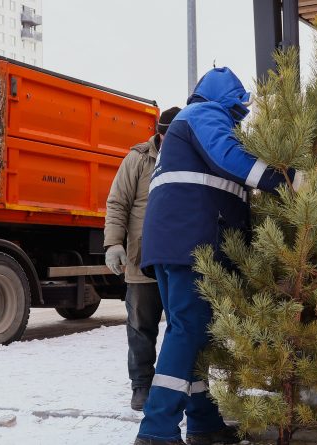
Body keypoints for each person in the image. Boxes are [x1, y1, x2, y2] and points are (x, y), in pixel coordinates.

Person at [134, 67, 300, 445]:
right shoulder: (203, 114)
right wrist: (290, 178)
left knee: (196, 335)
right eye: (239, 108)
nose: (241, 117)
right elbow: (228, 159)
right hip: (191, 244)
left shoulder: (190, 124)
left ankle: (204, 423)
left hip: (178, 242)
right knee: (188, 330)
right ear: (227, 98)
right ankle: (156, 430)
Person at [105, 106, 182, 411]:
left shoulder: (188, 156)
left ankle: (174, 385)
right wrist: (113, 244)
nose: (167, 139)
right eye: (163, 134)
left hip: (177, 259)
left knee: (181, 327)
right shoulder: (137, 159)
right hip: (141, 258)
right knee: (141, 326)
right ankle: (141, 386)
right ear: (158, 132)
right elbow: (117, 203)